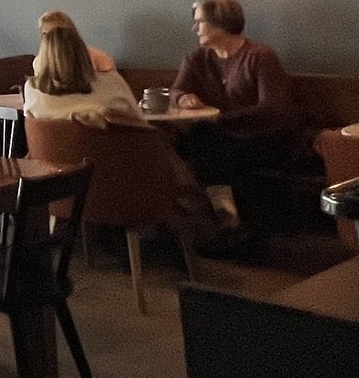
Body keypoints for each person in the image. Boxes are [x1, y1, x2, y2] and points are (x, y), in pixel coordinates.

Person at [26, 16, 238, 255]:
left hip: (65, 189)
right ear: (82, 51)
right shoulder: (110, 86)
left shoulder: (33, 94)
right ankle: (211, 235)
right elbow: (137, 122)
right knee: (195, 142)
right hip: (133, 184)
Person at [170, 0, 300, 222]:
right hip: (217, 138)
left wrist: (219, 119)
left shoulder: (259, 56)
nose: (195, 28)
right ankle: (216, 211)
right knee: (187, 141)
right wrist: (183, 98)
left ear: (221, 23)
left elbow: (271, 109)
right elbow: (175, 92)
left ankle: (219, 213)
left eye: (200, 22)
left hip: (264, 137)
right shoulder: (196, 58)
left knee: (204, 140)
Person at [37, 9, 118, 74]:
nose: (52, 39)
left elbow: (112, 85)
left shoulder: (97, 57)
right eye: (45, 34)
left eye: (57, 34)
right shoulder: (39, 63)